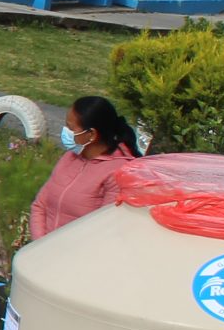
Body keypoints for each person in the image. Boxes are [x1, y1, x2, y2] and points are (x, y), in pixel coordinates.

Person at [26, 94, 141, 239]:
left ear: (91, 134)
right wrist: (40, 245)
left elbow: (102, 230)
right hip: (44, 251)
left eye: (70, 127)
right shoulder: (70, 157)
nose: (65, 132)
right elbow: (40, 205)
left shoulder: (117, 173)